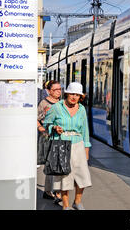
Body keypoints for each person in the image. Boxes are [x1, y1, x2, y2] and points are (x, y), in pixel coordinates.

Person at [43, 82, 92, 210]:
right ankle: (66, 205)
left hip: (78, 144)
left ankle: (77, 201)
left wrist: (86, 149)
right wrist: (54, 127)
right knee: (65, 176)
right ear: (67, 94)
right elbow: (46, 124)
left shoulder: (81, 109)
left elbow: (85, 130)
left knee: (82, 175)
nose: (74, 97)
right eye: (72, 94)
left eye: (77, 95)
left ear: (80, 97)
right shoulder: (56, 108)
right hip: (62, 143)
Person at [37, 80, 62, 203]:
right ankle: (51, 191)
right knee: (51, 164)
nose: (58, 92)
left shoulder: (62, 103)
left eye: (60, 89)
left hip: (60, 137)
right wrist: (41, 128)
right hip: (47, 136)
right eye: (55, 90)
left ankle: (54, 191)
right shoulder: (43, 103)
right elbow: (36, 118)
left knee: (58, 164)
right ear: (49, 91)